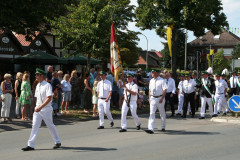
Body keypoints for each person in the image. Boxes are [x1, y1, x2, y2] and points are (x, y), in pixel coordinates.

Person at [22, 68, 61, 151]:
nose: (36, 76)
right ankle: (30, 145)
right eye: (36, 75)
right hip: (38, 109)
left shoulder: (47, 85)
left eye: (37, 75)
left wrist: (41, 107)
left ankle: (57, 141)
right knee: (34, 126)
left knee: (50, 125)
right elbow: (37, 98)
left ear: (42, 76)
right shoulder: (38, 85)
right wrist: (35, 106)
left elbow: (49, 98)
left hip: (46, 109)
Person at [145, 69, 167, 134]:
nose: (152, 73)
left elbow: (165, 90)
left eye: (153, 72)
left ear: (157, 73)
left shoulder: (162, 80)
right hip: (153, 98)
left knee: (162, 113)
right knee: (152, 113)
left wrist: (162, 98)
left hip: (160, 97)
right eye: (152, 72)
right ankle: (151, 128)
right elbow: (149, 90)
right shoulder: (151, 81)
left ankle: (163, 126)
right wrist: (149, 98)